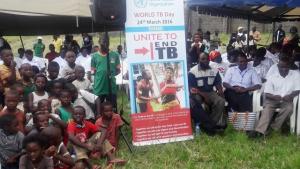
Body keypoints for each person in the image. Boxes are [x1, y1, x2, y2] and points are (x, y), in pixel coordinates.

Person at [248, 56, 300, 138]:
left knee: (289, 109)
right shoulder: (272, 77)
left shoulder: (295, 75)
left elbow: (298, 89)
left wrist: (291, 96)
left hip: (287, 99)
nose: (284, 69)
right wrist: (274, 96)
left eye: (286, 67)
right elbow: (267, 93)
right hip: (272, 99)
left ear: (289, 66)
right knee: (267, 110)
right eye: (282, 67)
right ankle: (259, 131)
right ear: (278, 66)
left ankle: (272, 127)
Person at [188, 53, 226, 135]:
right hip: (197, 93)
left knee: (221, 101)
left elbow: (218, 85)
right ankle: (204, 125)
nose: (205, 61)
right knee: (197, 100)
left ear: (209, 60)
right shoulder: (192, 71)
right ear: (199, 60)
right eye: (203, 59)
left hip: (210, 92)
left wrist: (222, 95)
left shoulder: (214, 70)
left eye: (207, 59)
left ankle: (211, 124)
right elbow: (193, 89)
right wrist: (204, 97)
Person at [92, 39, 120, 113]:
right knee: (98, 108)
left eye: (107, 42)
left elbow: (118, 70)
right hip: (99, 86)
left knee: (113, 108)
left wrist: (112, 74)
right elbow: (93, 71)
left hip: (111, 86)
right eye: (103, 42)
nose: (105, 44)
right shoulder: (94, 56)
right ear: (99, 42)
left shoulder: (115, 54)